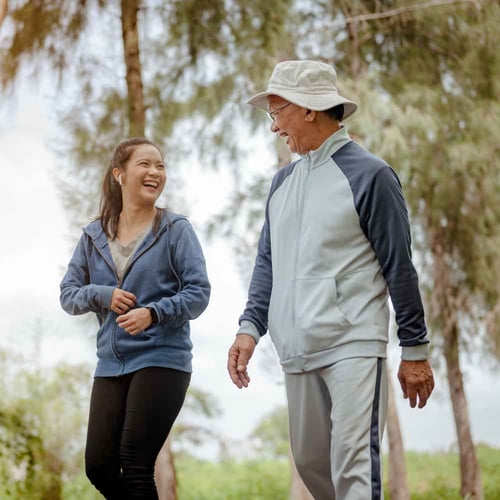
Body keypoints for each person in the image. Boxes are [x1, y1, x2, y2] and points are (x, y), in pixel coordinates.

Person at [227, 60, 435, 500]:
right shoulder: (281, 182)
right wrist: (250, 328)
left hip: (352, 344)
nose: (273, 127)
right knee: (311, 465)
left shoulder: (371, 175)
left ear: (308, 109)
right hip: (297, 351)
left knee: (354, 469)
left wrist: (414, 350)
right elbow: (268, 261)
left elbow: (400, 264)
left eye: (277, 111)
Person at [60, 137, 210, 499]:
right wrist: (103, 295)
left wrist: (153, 313)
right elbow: (68, 295)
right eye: (145, 164)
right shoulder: (93, 236)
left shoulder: (175, 230)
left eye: (160, 166)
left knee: (136, 461)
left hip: (162, 358)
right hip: (111, 363)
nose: (155, 172)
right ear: (119, 174)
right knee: (99, 467)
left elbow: (198, 293)